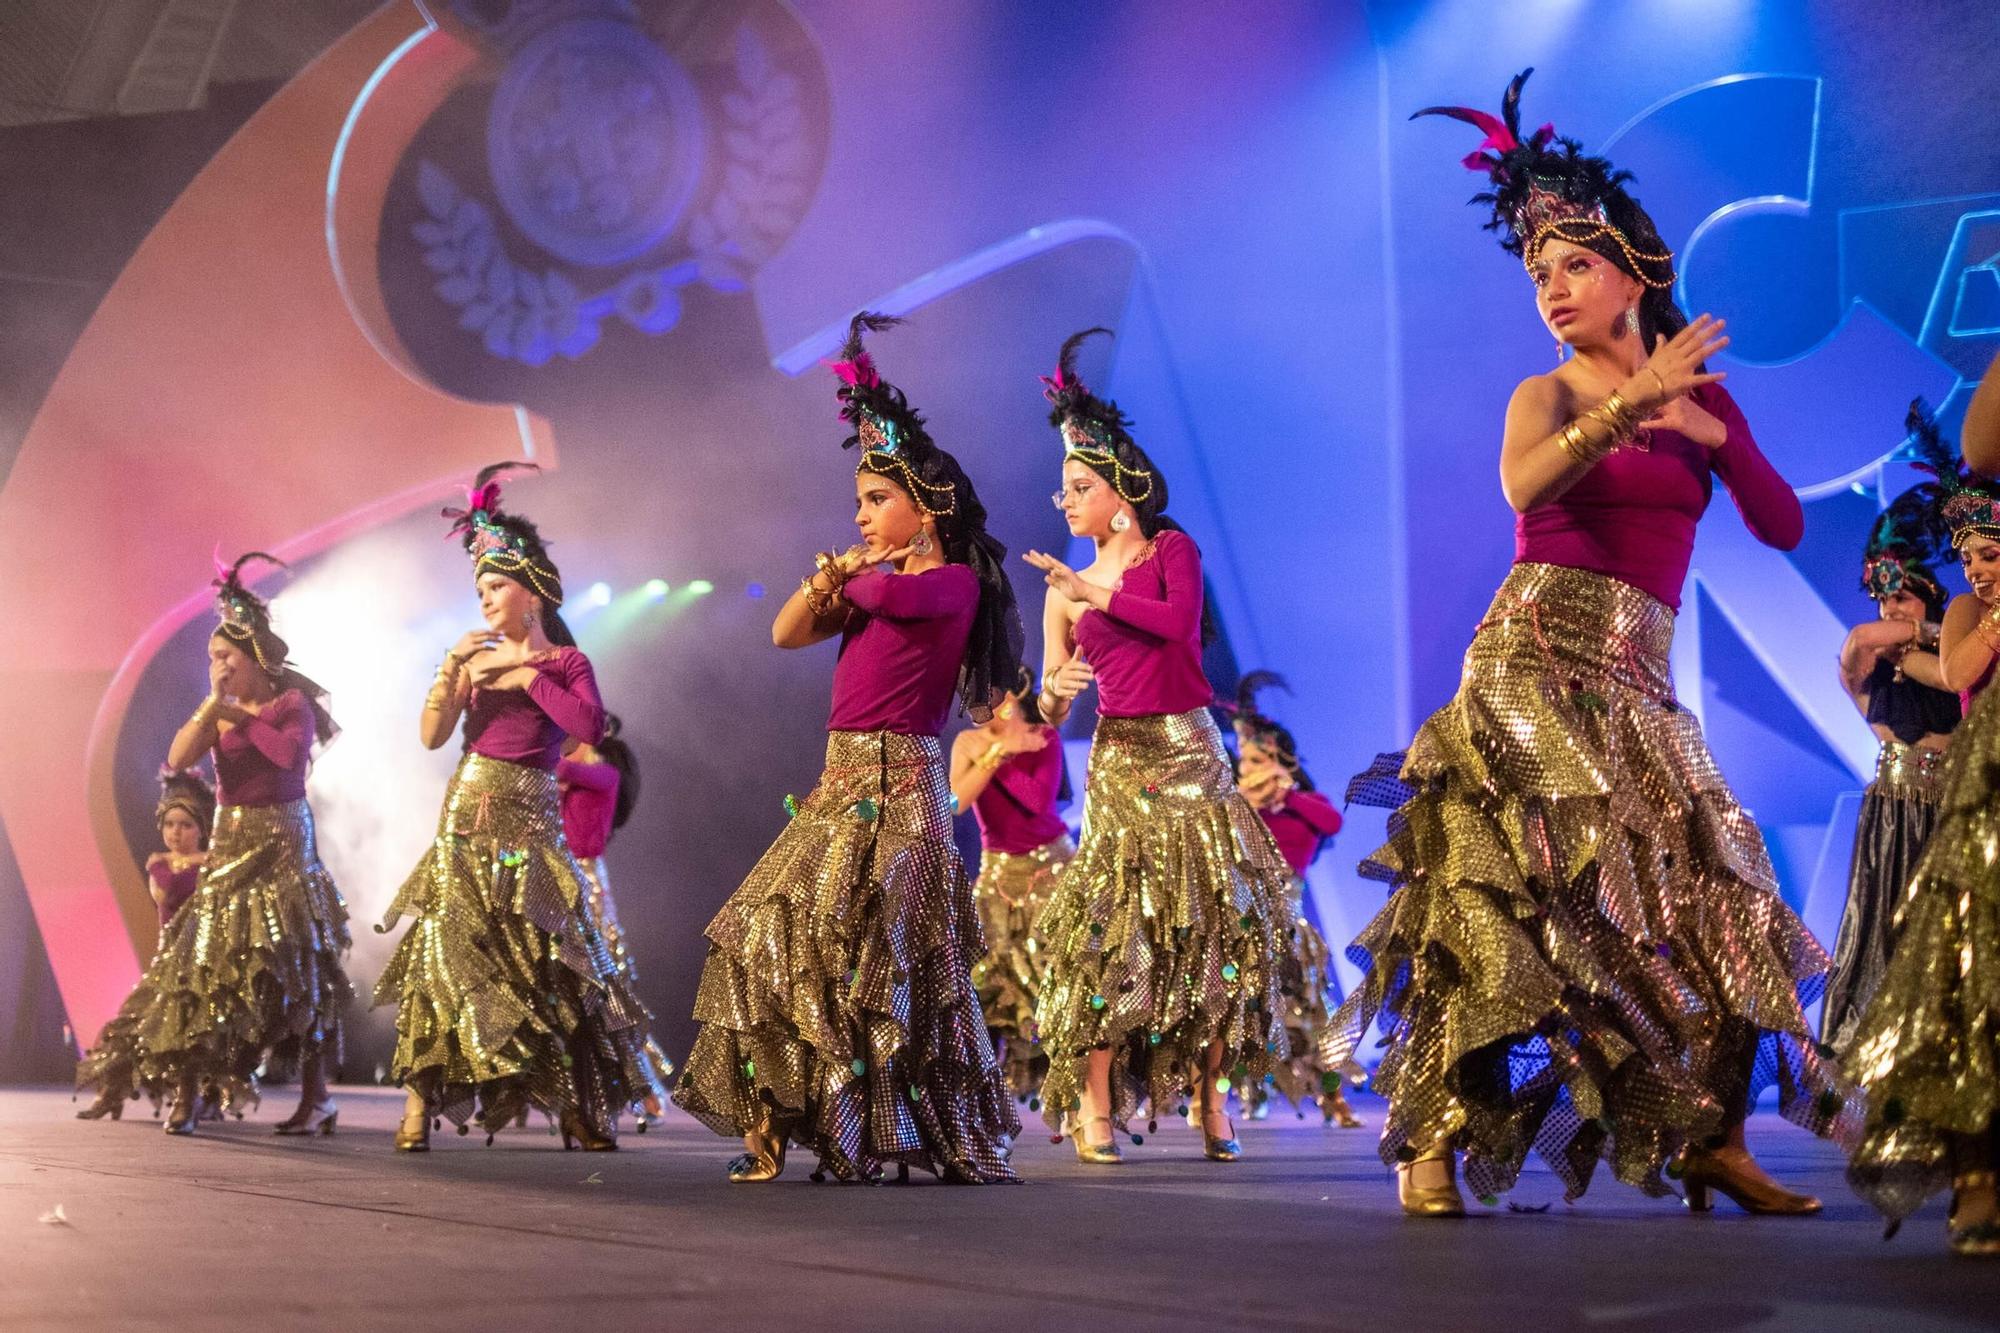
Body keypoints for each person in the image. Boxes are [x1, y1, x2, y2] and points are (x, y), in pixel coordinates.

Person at [1332, 69, 1853, 1217]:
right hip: (1528, 661)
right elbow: (1522, 480)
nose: (1552, 289)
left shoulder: (1697, 396)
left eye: (1573, 264)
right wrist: (1625, 408)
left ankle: (1711, 1136)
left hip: (1638, 678)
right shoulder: (1546, 393)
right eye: (1536, 273)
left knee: (1721, 895)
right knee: (1496, 901)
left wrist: (1709, 427)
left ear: (1636, 273)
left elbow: (1780, 525)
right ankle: (1425, 1140)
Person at [672, 314, 1024, 1184]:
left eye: (877, 499)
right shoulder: (868, 587)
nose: (861, 514)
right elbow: (786, 630)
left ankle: (888, 1128)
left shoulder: (948, 585)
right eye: (860, 500)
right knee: (766, 932)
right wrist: (825, 581)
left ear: (925, 505)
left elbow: (897, 604)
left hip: (903, 796)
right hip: (836, 791)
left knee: (888, 966)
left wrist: (850, 576)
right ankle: (778, 1126)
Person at [1024, 327, 1292, 1165]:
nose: (1064, 501)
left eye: (1078, 486)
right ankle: (1097, 1109)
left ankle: (1214, 1104)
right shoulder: (1064, 593)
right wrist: (1052, 692)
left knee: (1210, 937)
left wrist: (1090, 588)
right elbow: (1048, 692)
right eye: (1061, 488)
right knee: (1110, 937)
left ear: (1119, 492)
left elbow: (1178, 630)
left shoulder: (1171, 550)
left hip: (1191, 756)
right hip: (1119, 766)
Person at [374, 464, 647, 1153]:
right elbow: (433, 736)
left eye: (496, 586)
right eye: (479, 588)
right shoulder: (472, 659)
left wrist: (524, 673)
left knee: (559, 959)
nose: (485, 599)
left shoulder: (564, 663)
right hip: (467, 813)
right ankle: (414, 1112)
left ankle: (580, 1108)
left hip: (534, 821)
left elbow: (588, 728)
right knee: (444, 951)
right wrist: (449, 668)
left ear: (531, 591)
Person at [75, 554, 350, 1135]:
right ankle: (189, 1092)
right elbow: (176, 759)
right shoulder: (217, 710)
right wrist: (211, 710)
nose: (217, 665)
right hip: (229, 842)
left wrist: (239, 719)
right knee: (203, 965)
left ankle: (317, 1096)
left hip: (282, 845)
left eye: (225, 655)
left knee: (295, 967)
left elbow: (289, 757)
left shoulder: (289, 705)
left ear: (254, 657)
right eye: (211, 657)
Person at [1846, 390, 2000, 1255]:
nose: (1975, 569)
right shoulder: (1969, 617)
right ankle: (1977, 1170)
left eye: (1990, 552)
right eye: (1968, 555)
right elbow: (1963, 663)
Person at [1823, 464, 1959, 1053]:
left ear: (1929, 596)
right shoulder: (1870, 668)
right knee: (1882, 924)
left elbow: (1956, 667)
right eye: (1880, 597)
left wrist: (1928, 630)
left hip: (1950, 808)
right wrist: (1904, 624)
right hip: (1892, 812)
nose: (1886, 609)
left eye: (1898, 595)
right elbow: (1858, 642)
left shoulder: (1961, 661)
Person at [1229, 672, 1362, 1128]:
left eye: (1258, 757)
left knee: (1310, 1015)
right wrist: (1247, 801)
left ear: (1280, 758)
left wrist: (1285, 794)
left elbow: (1332, 822)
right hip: (1241, 922)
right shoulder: (1235, 808)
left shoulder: (1306, 803)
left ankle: (1333, 1099)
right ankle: (1245, 1096)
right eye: (1244, 759)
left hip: (1287, 923)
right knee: (1241, 1012)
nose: (1250, 766)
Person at [950, 667, 1074, 1103]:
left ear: (1010, 697)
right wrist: (996, 751)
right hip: (998, 872)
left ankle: (1069, 1078)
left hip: (1049, 868)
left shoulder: (1045, 738)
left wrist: (998, 755)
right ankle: (992, 1084)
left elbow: (1037, 801)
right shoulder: (970, 742)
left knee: (1055, 971)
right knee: (991, 977)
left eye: (984, 699)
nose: (974, 711)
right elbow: (956, 801)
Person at [557, 713, 674, 1125]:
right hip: (562, 877)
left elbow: (550, 764)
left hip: (584, 884)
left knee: (607, 993)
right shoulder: (577, 778)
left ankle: (649, 1091)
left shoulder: (604, 775)